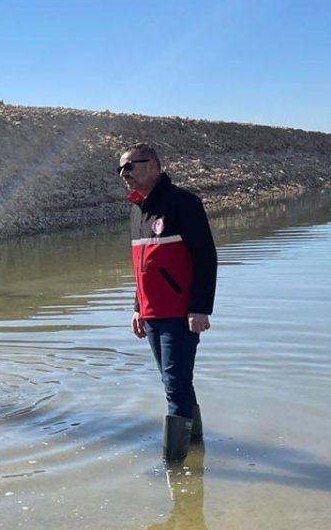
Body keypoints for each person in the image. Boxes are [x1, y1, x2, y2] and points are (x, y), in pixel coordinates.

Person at [120, 143, 217, 462]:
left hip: (180, 314)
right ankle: (196, 449)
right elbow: (142, 265)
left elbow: (205, 258)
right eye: (120, 169)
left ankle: (174, 470)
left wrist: (200, 308)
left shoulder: (183, 204)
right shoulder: (137, 210)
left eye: (129, 166)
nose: (124, 174)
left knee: (174, 387)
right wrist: (137, 307)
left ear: (153, 166)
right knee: (175, 382)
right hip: (152, 315)